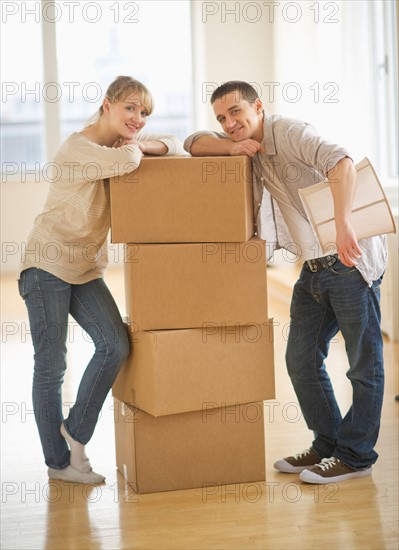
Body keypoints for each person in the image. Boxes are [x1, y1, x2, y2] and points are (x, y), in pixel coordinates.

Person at [184, 81, 386, 484]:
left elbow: (342, 162)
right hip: (312, 269)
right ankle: (327, 444)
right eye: (222, 118)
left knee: (363, 365)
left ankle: (355, 455)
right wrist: (230, 146)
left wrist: (344, 224)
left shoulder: (290, 132)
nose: (229, 123)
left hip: (349, 260)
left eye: (236, 112)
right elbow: (192, 142)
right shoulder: (249, 149)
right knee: (301, 361)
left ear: (258, 106)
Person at [18, 75, 184, 484]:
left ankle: (74, 433)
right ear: (107, 104)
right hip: (46, 265)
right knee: (52, 365)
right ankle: (59, 464)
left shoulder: (116, 147)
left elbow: (176, 144)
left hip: (85, 269)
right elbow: (129, 162)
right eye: (130, 108)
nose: (138, 119)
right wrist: (134, 149)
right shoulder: (78, 148)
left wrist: (138, 142)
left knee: (115, 345)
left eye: (144, 113)